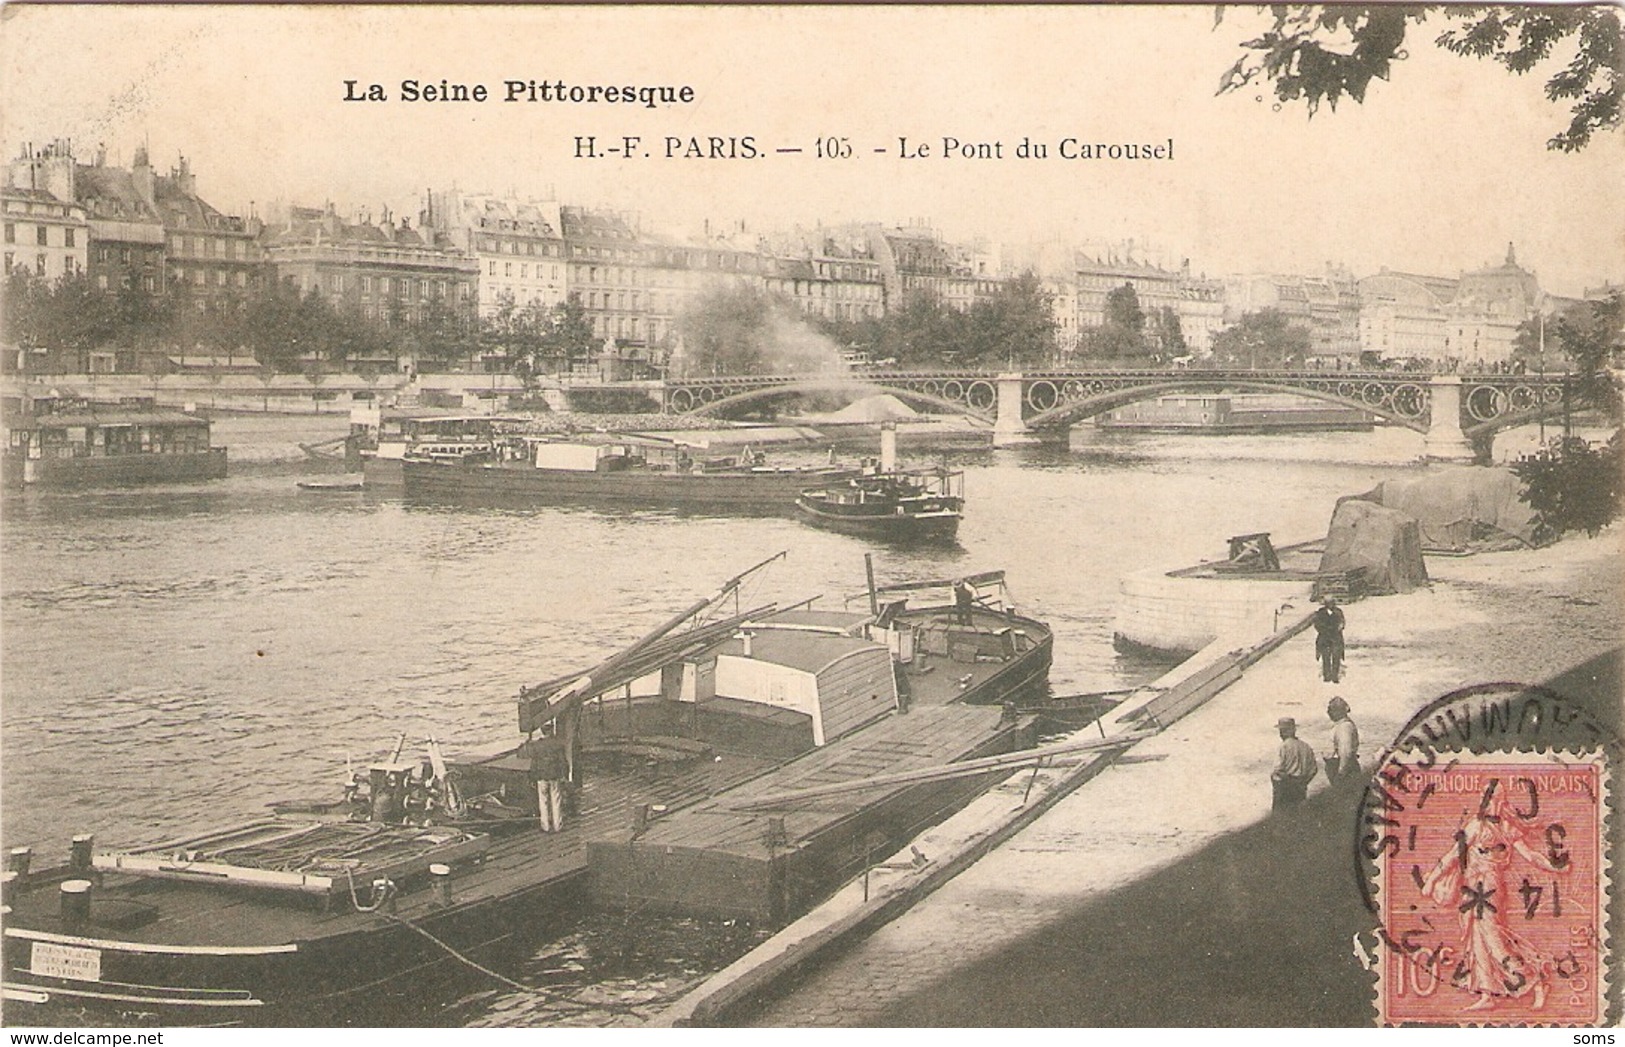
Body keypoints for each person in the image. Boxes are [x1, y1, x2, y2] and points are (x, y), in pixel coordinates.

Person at [1419, 786, 1568, 1011]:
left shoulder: (1506, 827)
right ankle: (1487, 993)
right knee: (1476, 939)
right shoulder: (1475, 826)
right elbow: (1452, 855)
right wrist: (1431, 881)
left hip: (1489, 887)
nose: (1493, 804)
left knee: (1493, 938)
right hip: (1470, 889)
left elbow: (1529, 855)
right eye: (1489, 800)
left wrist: (1553, 868)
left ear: (1501, 802)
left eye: (1497, 800)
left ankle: (1535, 980)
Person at [1270, 717, 1318, 809]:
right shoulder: (1305, 746)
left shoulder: (1283, 747)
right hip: (1301, 787)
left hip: (1285, 788)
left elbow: (1277, 770)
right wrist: (1303, 782)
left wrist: (1287, 781)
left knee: (1281, 818)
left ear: (1283, 732)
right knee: (1297, 816)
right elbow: (1314, 769)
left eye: (1281, 730)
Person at [1323, 696, 1360, 783]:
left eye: (1331, 710)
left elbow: (1345, 752)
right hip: (1341, 767)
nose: (1329, 713)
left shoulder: (1344, 727)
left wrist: (1341, 773)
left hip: (1342, 770)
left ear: (1338, 711)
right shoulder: (1342, 725)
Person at [1313, 596, 1346, 683]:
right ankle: (1327, 676)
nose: (1330, 605)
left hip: (1336, 637)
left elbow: (1342, 623)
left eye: (1332, 603)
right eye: (1328, 603)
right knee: (1326, 657)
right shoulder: (1321, 612)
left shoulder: (1338, 612)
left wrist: (1338, 628)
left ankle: (1335, 676)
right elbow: (1317, 624)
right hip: (1324, 637)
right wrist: (1324, 630)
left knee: (1336, 657)